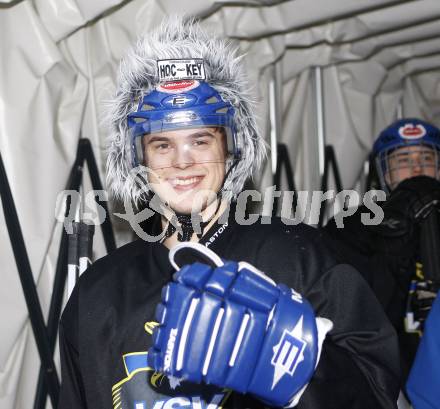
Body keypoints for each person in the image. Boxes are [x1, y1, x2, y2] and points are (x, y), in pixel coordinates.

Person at [58, 17, 400, 409]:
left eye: (200, 140)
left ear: (231, 148)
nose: (182, 163)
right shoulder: (98, 294)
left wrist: (305, 375)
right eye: (162, 145)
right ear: (137, 159)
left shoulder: (299, 257)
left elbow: (378, 393)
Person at [324, 118, 440, 392]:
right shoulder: (355, 225)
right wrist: (397, 236)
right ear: (384, 172)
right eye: (402, 160)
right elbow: (358, 317)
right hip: (388, 382)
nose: (416, 169)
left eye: (426, 157)